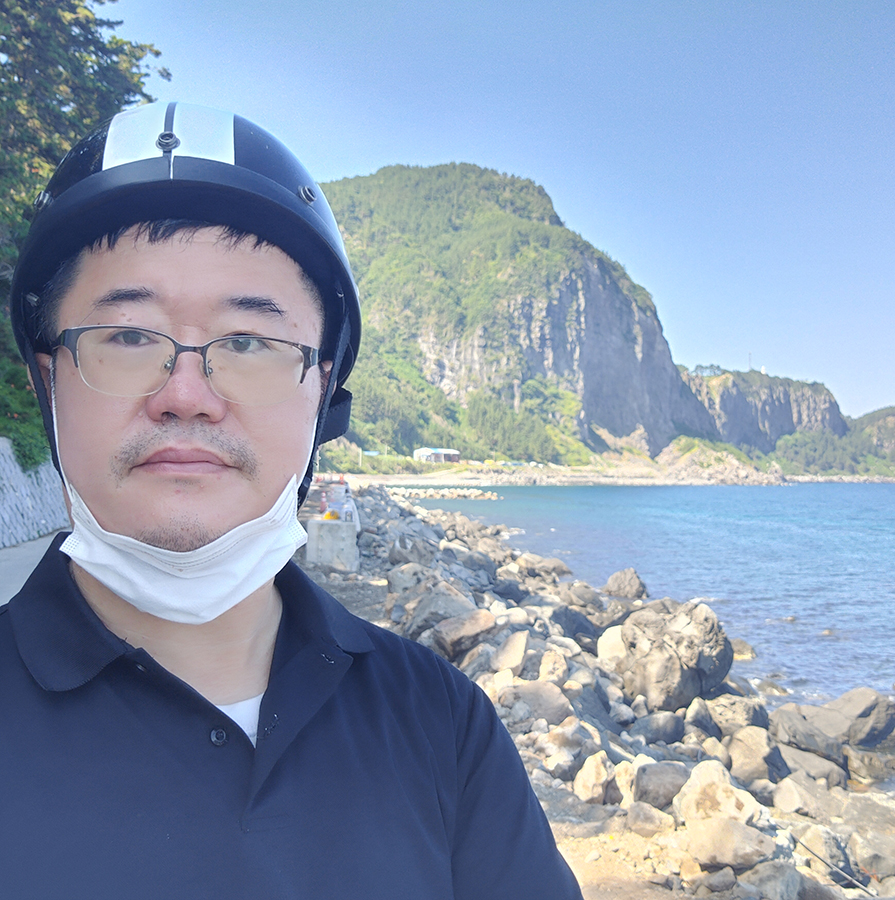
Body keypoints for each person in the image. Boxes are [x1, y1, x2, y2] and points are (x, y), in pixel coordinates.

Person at [2, 101, 583, 899]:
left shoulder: (441, 723)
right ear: (49, 383)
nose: (186, 395)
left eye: (249, 342)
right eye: (129, 336)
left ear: (322, 394)